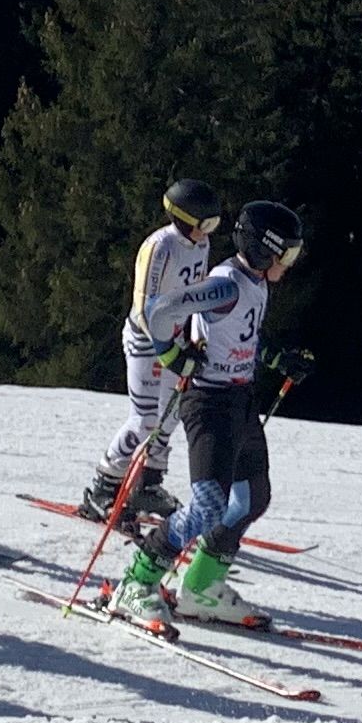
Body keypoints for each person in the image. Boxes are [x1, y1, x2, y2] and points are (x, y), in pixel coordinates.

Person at [109, 198, 304, 628]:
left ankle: (200, 588)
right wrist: (174, 356)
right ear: (263, 249)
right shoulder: (226, 283)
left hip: (240, 400)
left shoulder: (256, 282)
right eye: (286, 253)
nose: (289, 263)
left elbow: (240, 336)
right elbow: (161, 311)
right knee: (208, 506)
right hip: (209, 404)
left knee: (252, 496)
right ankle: (135, 584)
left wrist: (277, 360)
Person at [81, 175, 225, 522]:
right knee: (145, 420)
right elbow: (145, 307)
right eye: (205, 223)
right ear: (185, 219)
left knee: (171, 415)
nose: (209, 232)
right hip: (146, 340)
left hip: (174, 338)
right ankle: (104, 485)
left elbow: (193, 296)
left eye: (214, 224)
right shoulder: (160, 246)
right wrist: (167, 348)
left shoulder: (200, 246)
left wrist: (192, 339)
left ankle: (146, 485)